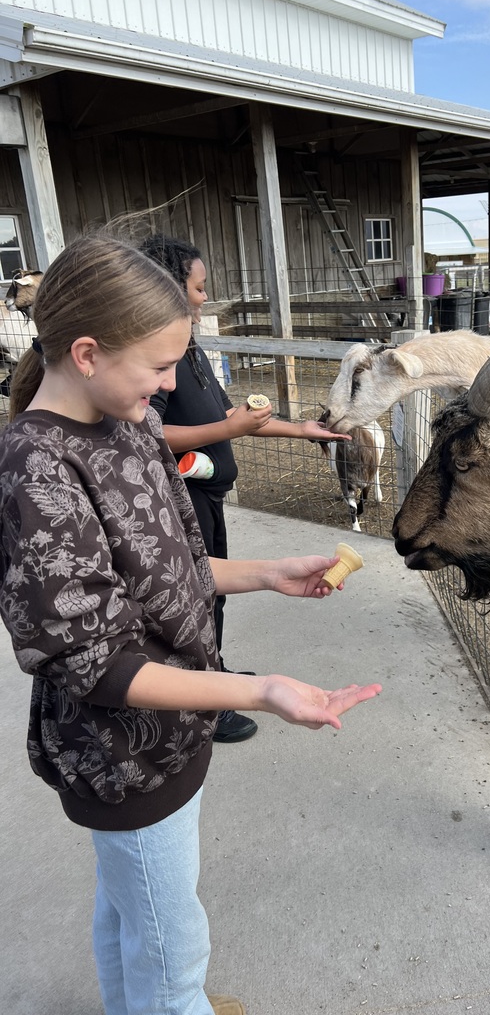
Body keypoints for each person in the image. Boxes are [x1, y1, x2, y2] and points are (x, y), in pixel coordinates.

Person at [0, 233, 382, 1015]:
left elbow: (174, 565)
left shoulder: (132, 424)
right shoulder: (36, 471)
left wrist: (268, 575)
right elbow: (97, 666)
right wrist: (258, 688)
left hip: (172, 734)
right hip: (121, 754)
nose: (173, 381)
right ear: (85, 352)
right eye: (160, 364)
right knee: (175, 951)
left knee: (128, 909)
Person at [139, 234, 349, 744]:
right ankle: (199, 703)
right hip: (183, 497)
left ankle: (215, 676)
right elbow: (149, 431)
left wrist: (298, 430)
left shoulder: (189, 348)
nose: (205, 296)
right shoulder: (160, 357)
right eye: (199, 286)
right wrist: (226, 432)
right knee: (195, 597)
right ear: (169, 288)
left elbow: (228, 415)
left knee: (212, 594)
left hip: (208, 497)